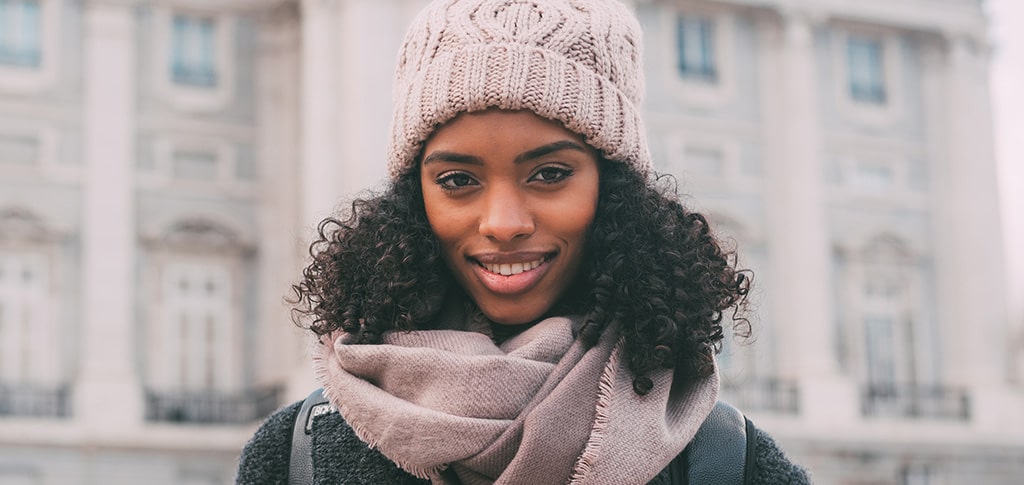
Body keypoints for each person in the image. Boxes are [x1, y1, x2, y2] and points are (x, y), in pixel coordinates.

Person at [237, 0, 810, 483]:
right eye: (458, 180)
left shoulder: (728, 463)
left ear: (614, 194)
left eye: (550, 174)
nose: (503, 222)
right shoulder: (295, 456)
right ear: (413, 204)